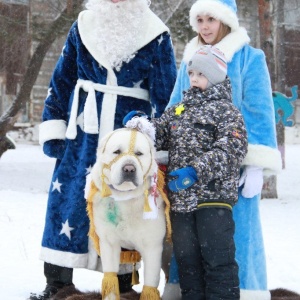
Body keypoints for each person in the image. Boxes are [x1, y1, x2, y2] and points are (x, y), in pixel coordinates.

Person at [28, 0, 177, 299]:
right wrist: (54, 124)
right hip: (83, 132)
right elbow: (62, 80)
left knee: (126, 206)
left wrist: (161, 146)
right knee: (69, 199)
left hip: (129, 136)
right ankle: (57, 280)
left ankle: (121, 281)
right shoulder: (82, 25)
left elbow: (166, 92)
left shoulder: (155, 33)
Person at [163, 0, 282, 299]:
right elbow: (175, 107)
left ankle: (242, 292)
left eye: (211, 20)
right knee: (189, 247)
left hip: (232, 168)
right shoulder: (189, 58)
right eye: (199, 20)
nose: (204, 27)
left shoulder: (249, 58)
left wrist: (256, 162)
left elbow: (259, 110)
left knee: (233, 241)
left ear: (225, 21)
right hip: (188, 172)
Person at [124, 44, 248, 299]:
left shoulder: (228, 112)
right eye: (192, 74)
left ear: (214, 77)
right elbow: (158, 134)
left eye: (200, 74)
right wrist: (141, 126)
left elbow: (231, 149)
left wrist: (195, 170)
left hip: (212, 200)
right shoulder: (179, 110)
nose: (193, 79)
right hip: (181, 203)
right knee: (188, 264)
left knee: (217, 261)